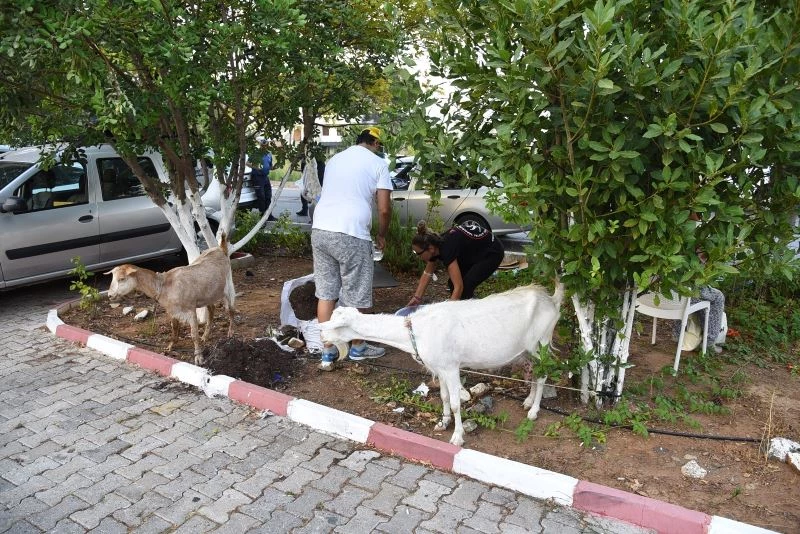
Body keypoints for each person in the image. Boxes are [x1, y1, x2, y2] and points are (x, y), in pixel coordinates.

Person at [312, 127, 392, 371]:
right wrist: (381, 234)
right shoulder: (379, 164)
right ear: (376, 144)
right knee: (356, 293)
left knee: (326, 293)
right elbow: (385, 209)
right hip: (351, 233)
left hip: (320, 229)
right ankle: (357, 347)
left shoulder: (335, 159)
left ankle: (327, 351)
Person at [408, 219, 504, 306]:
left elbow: (459, 287)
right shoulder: (435, 246)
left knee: (466, 286)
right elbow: (427, 273)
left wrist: (450, 310)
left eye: (418, 253)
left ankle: (470, 315)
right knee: (452, 284)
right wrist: (417, 298)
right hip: (474, 251)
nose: (418, 256)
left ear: (430, 249)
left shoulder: (447, 249)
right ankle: (468, 307)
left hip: (492, 252)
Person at [673, 212, 726, 354]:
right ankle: (709, 343)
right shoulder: (697, 234)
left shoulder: (668, 227)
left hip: (661, 294)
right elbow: (704, 265)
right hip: (685, 293)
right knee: (717, 297)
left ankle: (678, 335)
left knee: (688, 297)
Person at [257, 138, 276, 221]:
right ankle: (262, 216)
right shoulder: (256, 153)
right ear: (260, 145)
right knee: (261, 197)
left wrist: (274, 167)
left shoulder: (269, 154)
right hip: (257, 177)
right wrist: (257, 168)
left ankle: (269, 215)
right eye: (263, 144)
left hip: (265, 177)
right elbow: (248, 163)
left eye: (266, 144)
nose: (265, 146)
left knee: (268, 196)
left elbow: (270, 166)